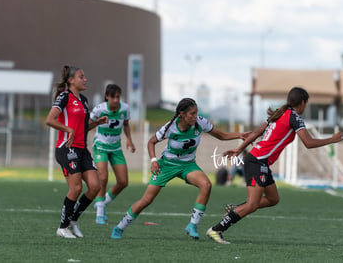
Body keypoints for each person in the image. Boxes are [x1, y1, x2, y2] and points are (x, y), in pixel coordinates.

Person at [206, 87, 343, 244]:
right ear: (303, 103)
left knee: (273, 199)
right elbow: (309, 143)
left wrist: (239, 149)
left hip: (258, 161)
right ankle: (216, 230)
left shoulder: (279, 113)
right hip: (257, 162)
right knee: (252, 205)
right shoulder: (294, 118)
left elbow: (257, 132)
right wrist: (331, 139)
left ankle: (235, 210)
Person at [111, 98, 250, 240]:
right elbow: (151, 142)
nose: (195, 116)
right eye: (192, 114)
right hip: (167, 165)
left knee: (206, 185)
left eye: (197, 113)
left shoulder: (200, 122)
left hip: (188, 165)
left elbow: (221, 135)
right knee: (146, 199)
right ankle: (119, 227)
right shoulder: (170, 127)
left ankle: (192, 225)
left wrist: (238, 135)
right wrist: (153, 160)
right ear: (182, 114)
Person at [46, 65, 107, 239]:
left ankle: (73, 219)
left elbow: (83, 127)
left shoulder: (85, 100)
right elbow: (49, 120)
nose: (85, 79)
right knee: (77, 187)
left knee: (96, 185)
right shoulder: (64, 97)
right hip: (66, 148)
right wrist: (68, 130)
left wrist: (97, 123)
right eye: (81, 77)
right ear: (71, 80)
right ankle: (62, 228)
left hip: (82, 149)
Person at [89, 84, 136, 225]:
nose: (116, 100)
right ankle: (100, 213)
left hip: (116, 148)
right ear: (107, 97)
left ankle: (102, 202)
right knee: (103, 178)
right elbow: (89, 123)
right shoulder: (99, 109)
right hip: (100, 146)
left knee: (123, 182)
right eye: (113, 97)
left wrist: (129, 139)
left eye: (118, 97)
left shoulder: (125, 109)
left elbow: (126, 124)